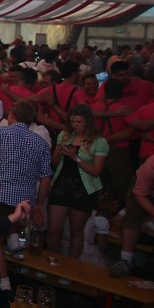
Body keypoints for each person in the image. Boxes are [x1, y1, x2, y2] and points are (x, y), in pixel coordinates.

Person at [0, 100, 52, 260]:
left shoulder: (1, 133)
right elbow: (46, 177)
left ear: (12, 115)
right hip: (26, 202)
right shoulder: (41, 143)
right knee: (15, 239)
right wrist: (39, 204)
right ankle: (15, 251)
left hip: (0, 197)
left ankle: (2, 283)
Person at [46, 105, 108, 257]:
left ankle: (70, 268)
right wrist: (58, 153)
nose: (75, 125)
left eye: (78, 122)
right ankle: (52, 262)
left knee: (76, 231)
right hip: (61, 184)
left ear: (87, 122)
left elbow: (96, 171)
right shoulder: (64, 136)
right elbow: (53, 163)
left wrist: (76, 158)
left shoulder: (99, 141)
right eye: (72, 121)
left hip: (83, 189)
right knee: (53, 228)